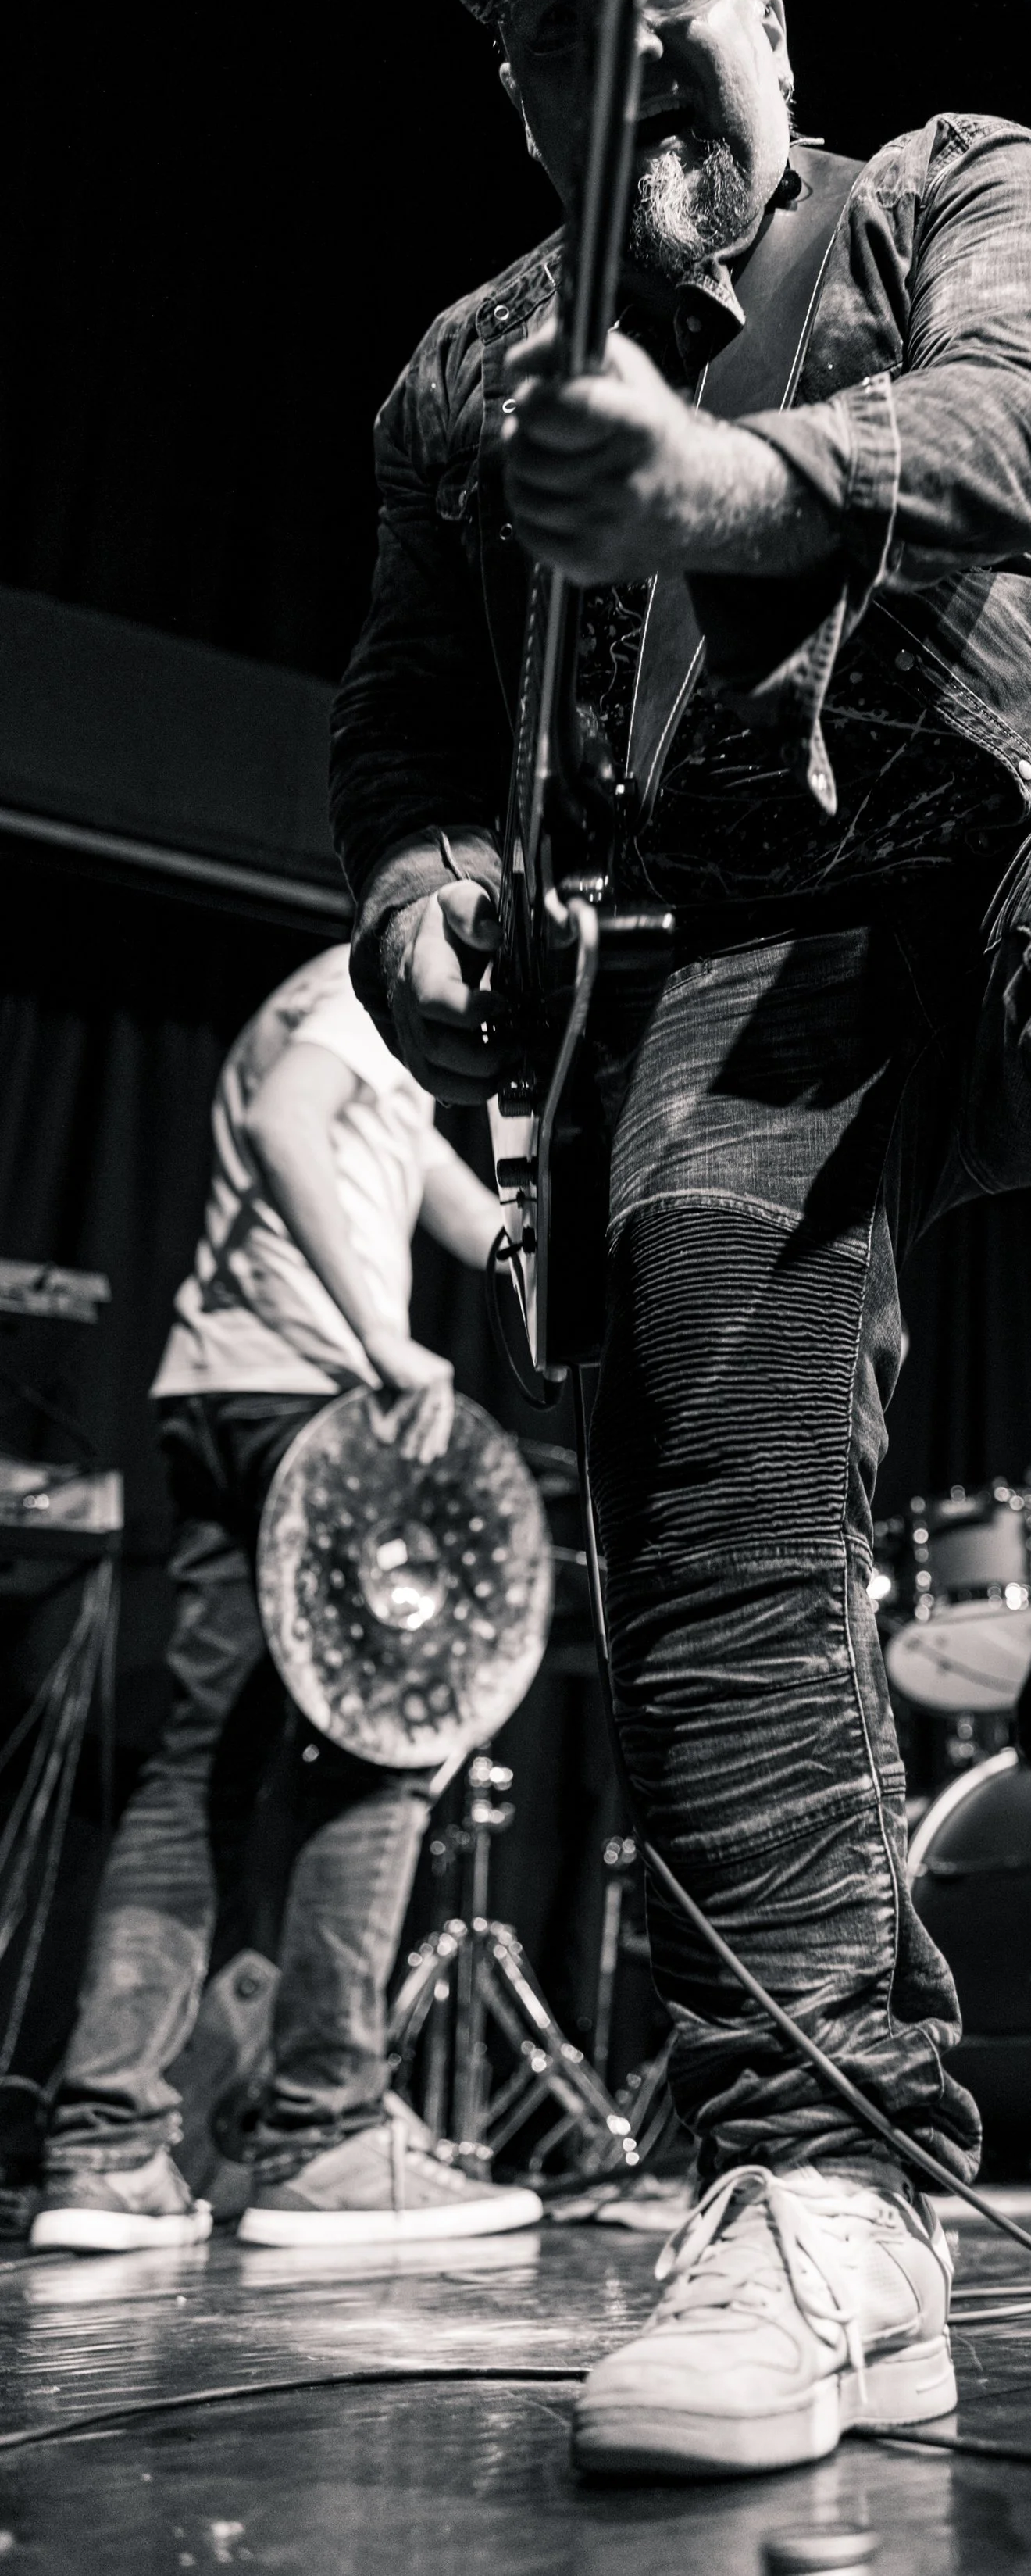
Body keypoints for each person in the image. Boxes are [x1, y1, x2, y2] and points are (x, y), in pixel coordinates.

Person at [329, 0, 1031, 2478]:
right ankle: (819, 2188)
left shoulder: (948, 186)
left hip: (1025, 813)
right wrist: (421, 884)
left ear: (766, 9)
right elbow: (408, 733)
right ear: (517, 114)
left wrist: (735, 482)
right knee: (690, 1373)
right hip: (740, 964)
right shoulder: (466, 389)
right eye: (548, 46)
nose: (616, 62)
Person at [30, 945, 535, 2253]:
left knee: (203, 1761)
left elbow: (439, 1188)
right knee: (380, 1745)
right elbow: (285, 1120)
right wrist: (377, 1330)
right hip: (307, 1397)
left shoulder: (358, 1034)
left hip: (215, 1388)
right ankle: (324, 2135)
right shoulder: (367, 988)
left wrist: (545, 1245)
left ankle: (107, 2147)